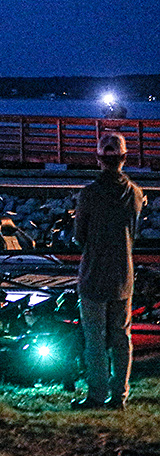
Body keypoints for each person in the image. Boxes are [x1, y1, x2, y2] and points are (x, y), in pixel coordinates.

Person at [71, 132, 145, 410]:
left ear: (98, 159)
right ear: (125, 158)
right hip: (123, 274)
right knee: (122, 338)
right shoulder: (135, 193)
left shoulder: (89, 194)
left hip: (94, 274)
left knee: (95, 340)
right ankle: (119, 396)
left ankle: (97, 394)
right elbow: (134, 231)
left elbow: (80, 236)